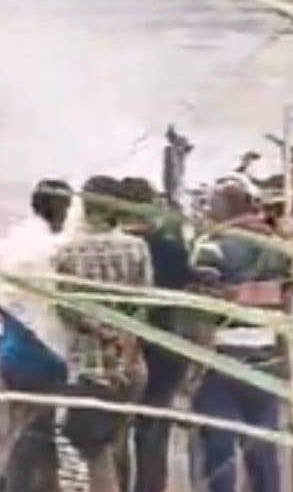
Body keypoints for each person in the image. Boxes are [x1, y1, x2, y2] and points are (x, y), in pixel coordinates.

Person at [51, 176, 153, 492]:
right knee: (118, 440)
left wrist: (103, 332)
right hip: (131, 364)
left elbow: (67, 311)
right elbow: (145, 304)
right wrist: (124, 342)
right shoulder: (137, 248)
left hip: (91, 366)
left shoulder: (68, 252)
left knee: (93, 449)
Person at [190, 177, 290, 492]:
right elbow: (291, 295)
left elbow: (200, 305)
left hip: (222, 355)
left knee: (219, 446)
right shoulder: (278, 246)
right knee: (262, 445)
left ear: (220, 210)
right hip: (268, 353)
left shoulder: (210, 248)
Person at [116, 177, 198, 492]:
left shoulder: (111, 247)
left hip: (116, 345)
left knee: (116, 431)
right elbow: (187, 288)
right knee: (153, 429)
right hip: (163, 340)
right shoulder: (169, 248)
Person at [0, 180, 73, 492]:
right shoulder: (60, 248)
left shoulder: (14, 239)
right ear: (62, 209)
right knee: (34, 435)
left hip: (13, 350)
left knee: (29, 428)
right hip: (45, 355)